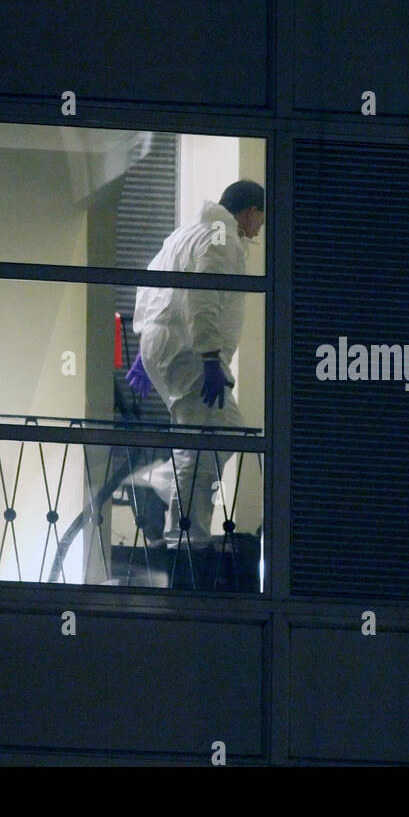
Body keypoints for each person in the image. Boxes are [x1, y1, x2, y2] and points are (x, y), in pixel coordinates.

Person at [125, 180, 264, 551]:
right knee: (208, 441)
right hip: (190, 354)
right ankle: (187, 538)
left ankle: (169, 496)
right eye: (261, 220)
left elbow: (154, 286)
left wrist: (144, 353)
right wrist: (210, 358)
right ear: (250, 212)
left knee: (213, 435)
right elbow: (202, 296)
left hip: (168, 347)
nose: (259, 230)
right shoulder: (222, 239)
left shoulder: (187, 233)